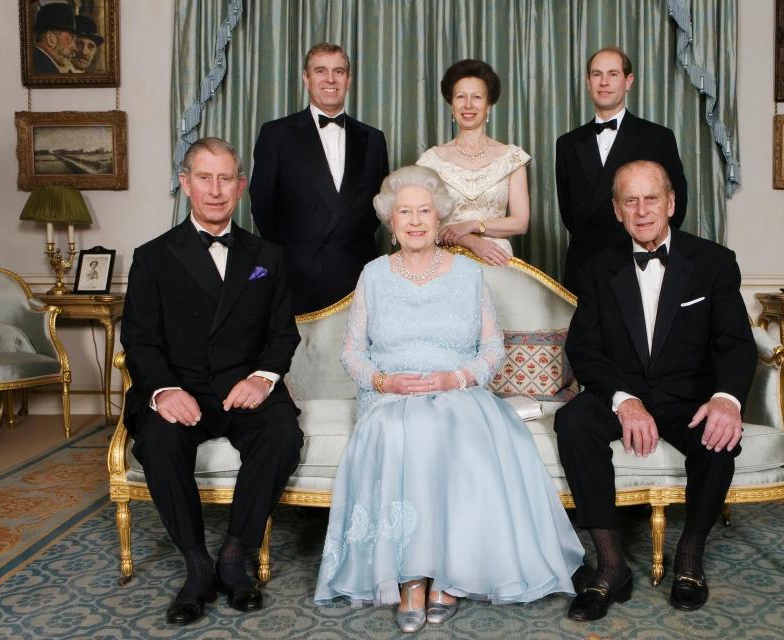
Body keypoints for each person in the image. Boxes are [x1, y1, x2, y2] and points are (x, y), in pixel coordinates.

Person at [314, 166, 583, 632]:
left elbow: (493, 349)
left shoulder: (466, 273)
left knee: (452, 428)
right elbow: (352, 353)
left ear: (440, 219)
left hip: (455, 388)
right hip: (391, 393)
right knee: (404, 430)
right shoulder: (373, 275)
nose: (416, 221)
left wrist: (454, 378)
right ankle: (412, 578)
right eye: (405, 213)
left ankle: (447, 573)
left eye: (425, 211)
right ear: (390, 222)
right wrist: (384, 383)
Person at [554, 160, 756, 619]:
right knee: (574, 420)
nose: (641, 210)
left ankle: (690, 558)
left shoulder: (713, 262)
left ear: (671, 203)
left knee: (720, 436)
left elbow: (735, 343)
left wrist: (726, 399)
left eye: (651, 199)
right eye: (630, 200)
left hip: (689, 395)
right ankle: (610, 566)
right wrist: (624, 401)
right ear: (617, 210)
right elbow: (585, 349)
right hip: (625, 390)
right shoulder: (596, 267)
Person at [121, 137, 303, 625]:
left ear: (241, 186)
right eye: (205, 178)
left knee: (284, 436)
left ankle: (233, 552)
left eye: (226, 179)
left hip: (244, 385)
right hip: (181, 388)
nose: (216, 190)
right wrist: (162, 390)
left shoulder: (269, 255)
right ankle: (197, 562)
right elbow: (139, 340)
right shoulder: (153, 256)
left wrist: (264, 378)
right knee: (158, 440)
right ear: (186, 184)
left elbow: (283, 334)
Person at [250, 42, 389, 314]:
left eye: (338, 71)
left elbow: (379, 209)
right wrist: (298, 253)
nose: (330, 79)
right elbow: (262, 206)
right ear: (306, 78)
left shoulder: (374, 139)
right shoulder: (277, 134)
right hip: (298, 275)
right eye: (321, 71)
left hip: (358, 273)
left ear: (348, 79)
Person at [556, 46, 688, 295]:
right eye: (596, 74)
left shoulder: (658, 138)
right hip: (585, 266)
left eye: (613, 74)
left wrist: (645, 245)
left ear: (628, 81)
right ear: (588, 82)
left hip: (639, 261)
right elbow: (569, 214)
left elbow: (676, 206)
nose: (604, 82)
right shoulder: (566, 143)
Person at [416, 59, 530, 266]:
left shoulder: (511, 158)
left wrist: (473, 225)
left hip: (496, 259)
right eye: (461, 97)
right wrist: (469, 241)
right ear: (452, 104)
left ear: (488, 105)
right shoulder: (430, 161)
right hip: (446, 263)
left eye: (477, 97)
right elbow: (422, 224)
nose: (468, 105)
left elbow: (520, 223)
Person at [32, 2, 77, 74]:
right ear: (50, 39)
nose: (75, 47)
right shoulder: (46, 71)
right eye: (70, 38)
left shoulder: (36, 61)